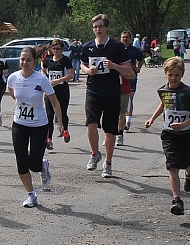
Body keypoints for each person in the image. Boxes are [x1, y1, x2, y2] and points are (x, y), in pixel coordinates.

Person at [8, 47, 65, 208]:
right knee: (21, 162)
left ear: (34, 62)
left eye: (28, 60)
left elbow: (55, 102)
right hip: (19, 124)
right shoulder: (13, 78)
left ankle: (42, 165)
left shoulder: (41, 79)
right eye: (22, 59)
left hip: (39, 125)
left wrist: (60, 123)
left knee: (34, 164)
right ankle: (31, 194)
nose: (24, 62)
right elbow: (12, 92)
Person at [80, 14, 135, 177]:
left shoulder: (117, 47)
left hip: (112, 93)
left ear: (107, 28)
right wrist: (87, 71)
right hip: (93, 91)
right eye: (95, 27)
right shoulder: (87, 47)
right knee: (91, 124)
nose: (98, 29)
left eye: (100, 26)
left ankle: (108, 163)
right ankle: (95, 154)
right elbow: (83, 64)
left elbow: (130, 73)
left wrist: (114, 66)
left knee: (110, 131)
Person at [144, 57, 190, 216]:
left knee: (186, 162)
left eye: (177, 75)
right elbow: (164, 103)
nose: (173, 78)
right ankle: (176, 199)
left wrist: (183, 125)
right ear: (166, 74)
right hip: (169, 134)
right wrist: (152, 118)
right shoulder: (163, 91)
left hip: (186, 134)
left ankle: (189, 175)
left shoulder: (187, 92)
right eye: (170, 75)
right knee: (173, 166)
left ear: (182, 75)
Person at [41, 38, 74, 149]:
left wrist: (58, 80)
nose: (55, 51)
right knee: (49, 115)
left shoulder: (65, 60)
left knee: (62, 113)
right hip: (50, 91)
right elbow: (43, 70)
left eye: (58, 49)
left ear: (62, 49)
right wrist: (45, 80)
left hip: (62, 90)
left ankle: (65, 130)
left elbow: (71, 75)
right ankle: (49, 139)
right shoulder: (48, 60)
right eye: (53, 48)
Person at [120, 30, 144, 138]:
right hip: (120, 78)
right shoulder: (117, 49)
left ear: (130, 39)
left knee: (129, 98)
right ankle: (122, 119)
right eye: (123, 37)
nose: (125, 39)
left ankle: (128, 121)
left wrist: (138, 67)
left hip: (131, 77)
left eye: (127, 37)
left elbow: (141, 59)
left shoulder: (134, 50)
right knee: (121, 100)